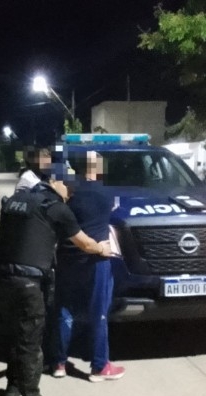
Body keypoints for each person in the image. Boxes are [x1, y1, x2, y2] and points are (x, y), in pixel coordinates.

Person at [0, 177, 113, 396]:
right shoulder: (55, 207)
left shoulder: (15, 201)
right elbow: (85, 244)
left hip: (1, 277)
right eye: (69, 192)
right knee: (30, 345)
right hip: (28, 283)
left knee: (12, 333)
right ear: (57, 184)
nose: (70, 197)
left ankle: (13, 385)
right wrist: (101, 248)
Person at [48, 150, 125, 383]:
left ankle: (59, 363)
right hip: (96, 258)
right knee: (98, 312)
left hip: (67, 257)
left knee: (64, 310)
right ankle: (99, 366)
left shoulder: (68, 191)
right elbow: (114, 210)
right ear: (98, 168)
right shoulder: (107, 192)